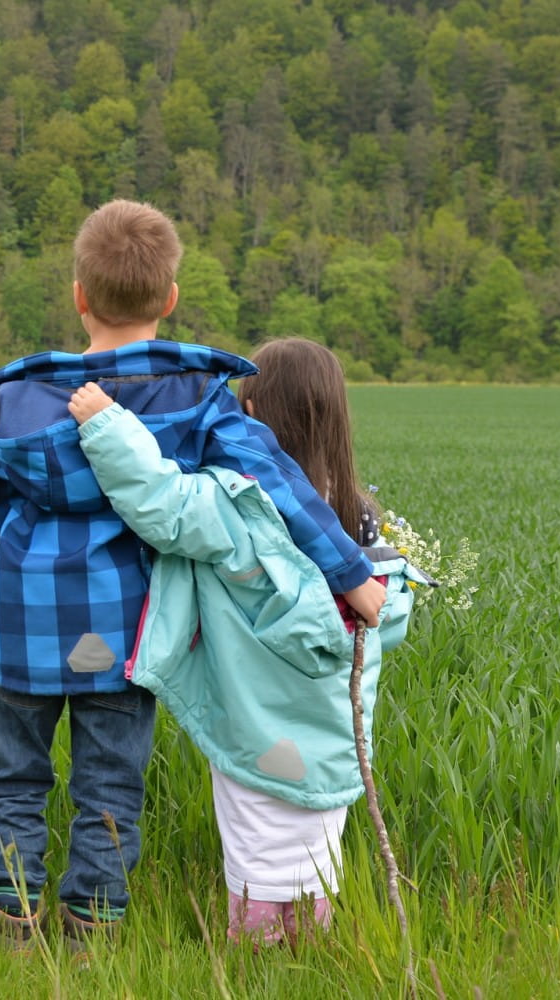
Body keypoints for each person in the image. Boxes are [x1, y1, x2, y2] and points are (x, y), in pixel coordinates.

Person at [0, 202, 386, 952]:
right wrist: (351, 574)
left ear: (79, 296)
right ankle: (94, 925)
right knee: (110, 786)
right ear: (172, 299)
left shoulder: (18, 406)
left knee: (12, 777)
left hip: (22, 630)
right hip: (126, 633)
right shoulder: (195, 399)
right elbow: (279, 485)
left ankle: (11, 915)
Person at [66, 340, 427, 950]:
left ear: (250, 412)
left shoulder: (242, 503)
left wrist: (105, 423)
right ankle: (310, 956)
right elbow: (378, 614)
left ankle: (255, 959)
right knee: (315, 846)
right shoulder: (361, 520)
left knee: (258, 842)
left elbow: (161, 500)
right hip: (332, 731)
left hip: (256, 721)